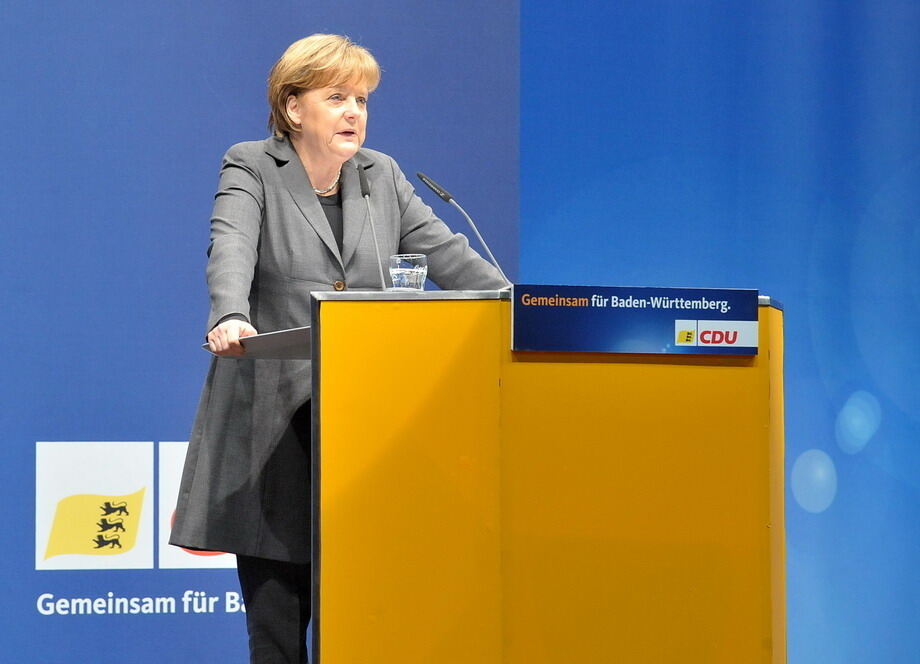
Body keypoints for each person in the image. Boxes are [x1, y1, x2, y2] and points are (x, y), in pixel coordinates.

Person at [169, 34, 506, 663]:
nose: (355, 112)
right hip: (273, 425)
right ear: (295, 109)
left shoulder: (381, 176)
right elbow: (231, 246)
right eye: (337, 97)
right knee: (277, 624)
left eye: (362, 99)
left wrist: (521, 308)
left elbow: (448, 256)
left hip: (364, 426)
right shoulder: (251, 165)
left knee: (363, 619)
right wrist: (232, 315)